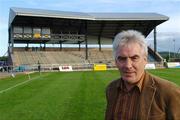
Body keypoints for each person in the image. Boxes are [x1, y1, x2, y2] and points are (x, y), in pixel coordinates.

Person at [105, 30, 180, 120]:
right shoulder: (111, 89)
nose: (128, 65)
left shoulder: (169, 92)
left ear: (145, 60)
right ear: (116, 62)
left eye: (134, 58)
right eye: (122, 58)